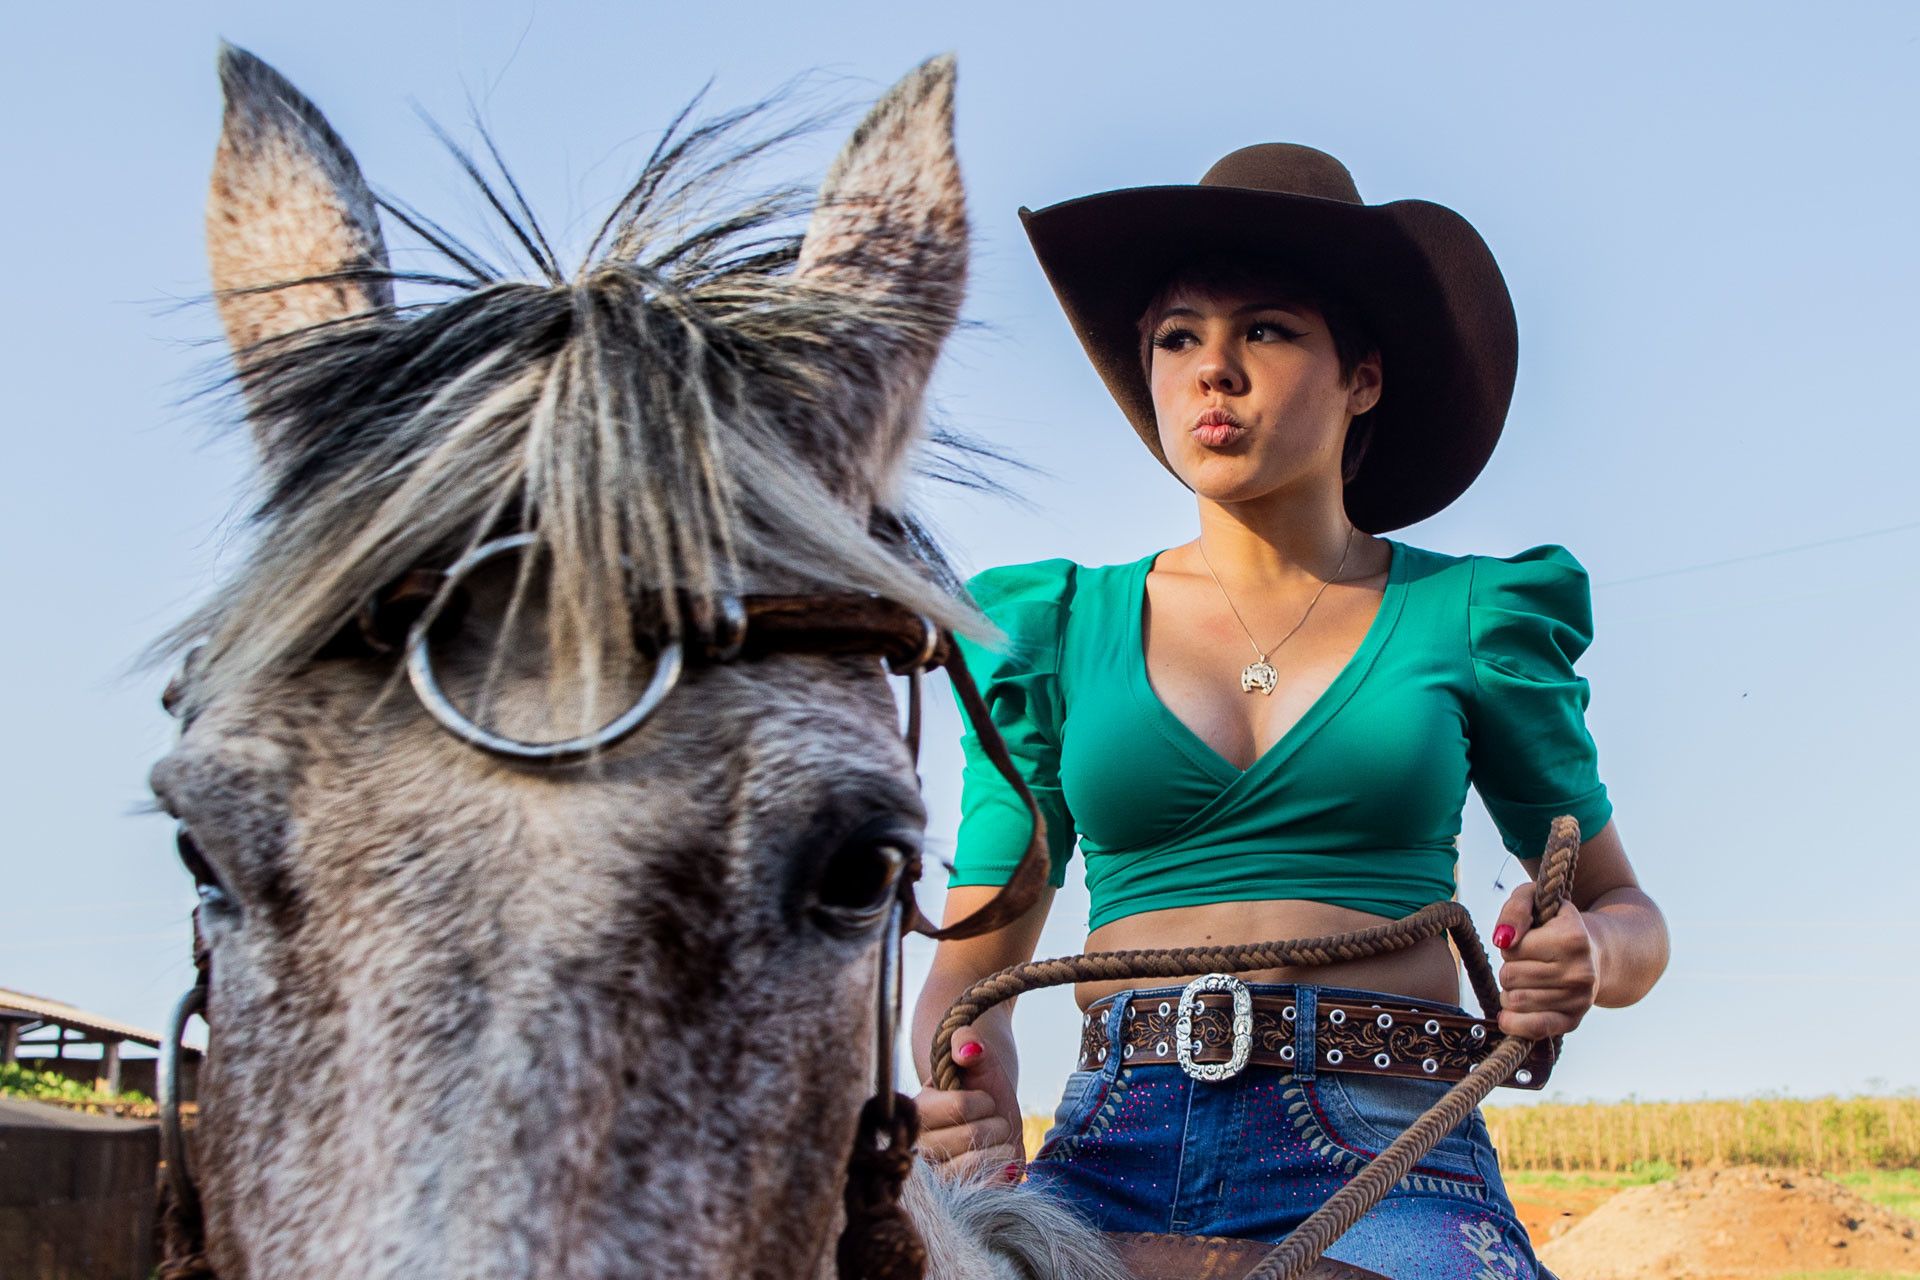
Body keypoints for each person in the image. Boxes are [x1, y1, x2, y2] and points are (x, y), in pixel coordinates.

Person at [909, 144, 1671, 1278]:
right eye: (1178, 338)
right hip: (1108, 1141)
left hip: (1387, 1147)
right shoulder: (1053, 627)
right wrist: (972, 1071)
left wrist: (1590, 953)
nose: (1212, 370)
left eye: (1264, 330)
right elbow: (971, 966)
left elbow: (1628, 910)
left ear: (1362, 374)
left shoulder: (1468, 616)